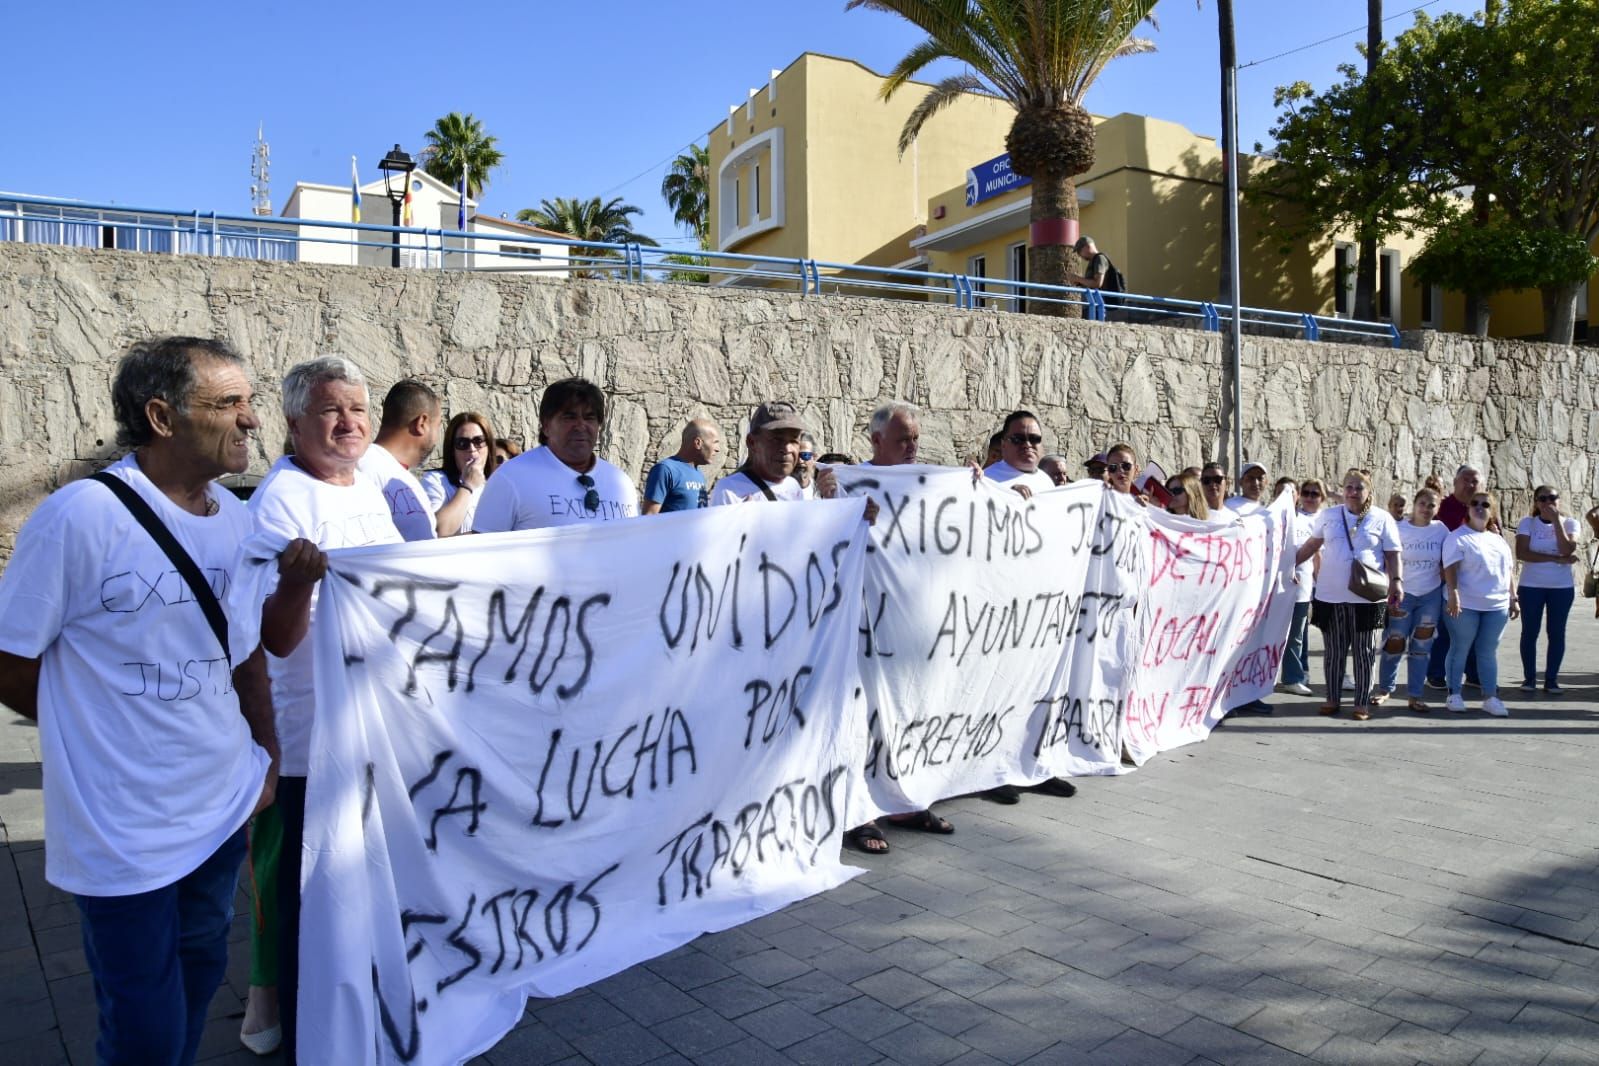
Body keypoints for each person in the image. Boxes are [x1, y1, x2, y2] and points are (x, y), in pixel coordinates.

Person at [0, 337, 278, 1066]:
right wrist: (94, 727)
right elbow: (8, 661)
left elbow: (246, 656)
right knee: (143, 1022)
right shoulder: (79, 518)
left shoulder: (238, 521)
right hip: (122, 825)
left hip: (220, 807)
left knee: (197, 978)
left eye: (249, 402)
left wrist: (266, 764)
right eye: (228, 404)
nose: (251, 420)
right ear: (161, 416)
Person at [249, 357, 403, 1065]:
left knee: (364, 884)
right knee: (302, 899)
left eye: (360, 410)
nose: (350, 424)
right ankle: (310, 1036)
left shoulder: (368, 483)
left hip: (374, 728)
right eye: (332, 411)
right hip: (307, 738)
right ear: (293, 422)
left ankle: (359, 1011)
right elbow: (272, 637)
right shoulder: (279, 502)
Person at [845, 402, 956, 853]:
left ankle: (904, 801)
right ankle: (860, 814)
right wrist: (837, 497)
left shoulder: (929, 482)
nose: (913, 447)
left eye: (915, 439)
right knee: (861, 721)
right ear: (876, 441)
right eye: (903, 439)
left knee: (906, 712)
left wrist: (984, 490)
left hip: (909, 632)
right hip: (862, 630)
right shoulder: (850, 484)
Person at [1295, 469, 1403, 721]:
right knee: (1334, 650)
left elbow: (1393, 554)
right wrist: (1289, 564)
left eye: (1359, 488)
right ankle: (1332, 698)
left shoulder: (1382, 518)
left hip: (1368, 597)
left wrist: (1397, 582)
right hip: (1330, 595)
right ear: (1342, 490)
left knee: (1364, 652)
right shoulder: (1329, 515)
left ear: (1369, 492)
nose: (1353, 492)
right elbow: (1312, 545)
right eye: (1349, 487)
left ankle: (1361, 702)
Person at [474, 377, 639, 530]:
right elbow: (482, 551)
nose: (581, 426)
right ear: (546, 425)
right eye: (569, 417)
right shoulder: (510, 479)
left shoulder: (621, 483)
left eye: (589, 418)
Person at [1443, 490, 1518, 715]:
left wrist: (1513, 598)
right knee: (1460, 648)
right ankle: (1454, 694)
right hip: (1465, 605)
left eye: (1485, 505)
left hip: (1496, 606)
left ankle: (1490, 697)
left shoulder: (1498, 540)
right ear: (1468, 508)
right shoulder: (1457, 537)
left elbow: (1508, 570)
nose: (1479, 507)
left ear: (1491, 511)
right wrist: (1453, 593)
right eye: (1474, 503)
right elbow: (1450, 567)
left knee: (1488, 651)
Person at [1372, 488, 1448, 712]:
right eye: (1423, 503)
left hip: (1430, 595)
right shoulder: (1398, 528)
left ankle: (1415, 694)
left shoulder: (1441, 530)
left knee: (1422, 645)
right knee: (1395, 642)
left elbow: (1452, 555)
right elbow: (1385, 557)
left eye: (1432, 505)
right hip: (1402, 594)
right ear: (1414, 504)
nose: (1426, 509)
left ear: (1437, 509)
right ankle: (1385, 688)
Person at [1428, 465, 1492, 690]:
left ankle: (1473, 673)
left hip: (1478, 583)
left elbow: (1497, 540)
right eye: (1465, 480)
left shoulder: (1486, 509)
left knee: (1475, 632)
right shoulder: (1443, 508)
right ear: (1455, 482)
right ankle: (1436, 673)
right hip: (1446, 579)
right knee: (1445, 630)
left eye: (1474, 481)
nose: (1470, 485)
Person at [356, 379, 442, 541]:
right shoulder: (361, 466)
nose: (438, 438)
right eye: (438, 426)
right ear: (421, 423)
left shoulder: (407, 479)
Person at [1515, 485, 1579, 692]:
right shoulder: (1527, 523)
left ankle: (1551, 680)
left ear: (1559, 500)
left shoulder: (1570, 523)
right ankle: (1529, 679)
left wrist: (1556, 523)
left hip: (1561, 587)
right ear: (1535, 502)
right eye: (1542, 499)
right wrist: (1556, 559)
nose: (1547, 503)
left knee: (1556, 632)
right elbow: (1522, 553)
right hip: (1531, 585)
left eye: (1552, 498)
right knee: (1530, 632)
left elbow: (1567, 548)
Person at [1278, 477, 1324, 696]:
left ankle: (1292, 678)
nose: (1286, 496)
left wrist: (1320, 583)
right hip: (1274, 588)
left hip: (1302, 589)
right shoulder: (1269, 521)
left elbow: (1315, 555)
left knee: (1296, 636)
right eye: (1281, 492)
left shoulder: (1306, 522)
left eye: (1290, 492)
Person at [711, 401, 809, 504]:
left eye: (793, 440)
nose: (787, 449)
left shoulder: (793, 486)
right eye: (777, 440)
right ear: (752, 443)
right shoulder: (729, 491)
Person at [421, 411, 500, 536]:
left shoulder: (499, 484)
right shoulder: (436, 481)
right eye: (462, 443)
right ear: (452, 450)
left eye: (478, 441)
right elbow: (437, 531)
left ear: (488, 446)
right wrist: (467, 486)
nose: (472, 449)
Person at [642, 418, 721, 514]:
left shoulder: (699, 474)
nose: (718, 449)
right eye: (715, 443)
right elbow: (649, 517)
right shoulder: (665, 470)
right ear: (698, 443)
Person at [983, 411, 1054, 497]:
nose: (1027, 445)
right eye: (1018, 439)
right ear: (1004, 445)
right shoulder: (985, 479)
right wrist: (1009, 495)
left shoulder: (1046, 481)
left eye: (1034, 439)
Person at [793, 431, 819, 499]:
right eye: (795, 456)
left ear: (814, 458)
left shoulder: (821, 492)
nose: (800, 461)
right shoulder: (776, 490)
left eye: (805, 455)